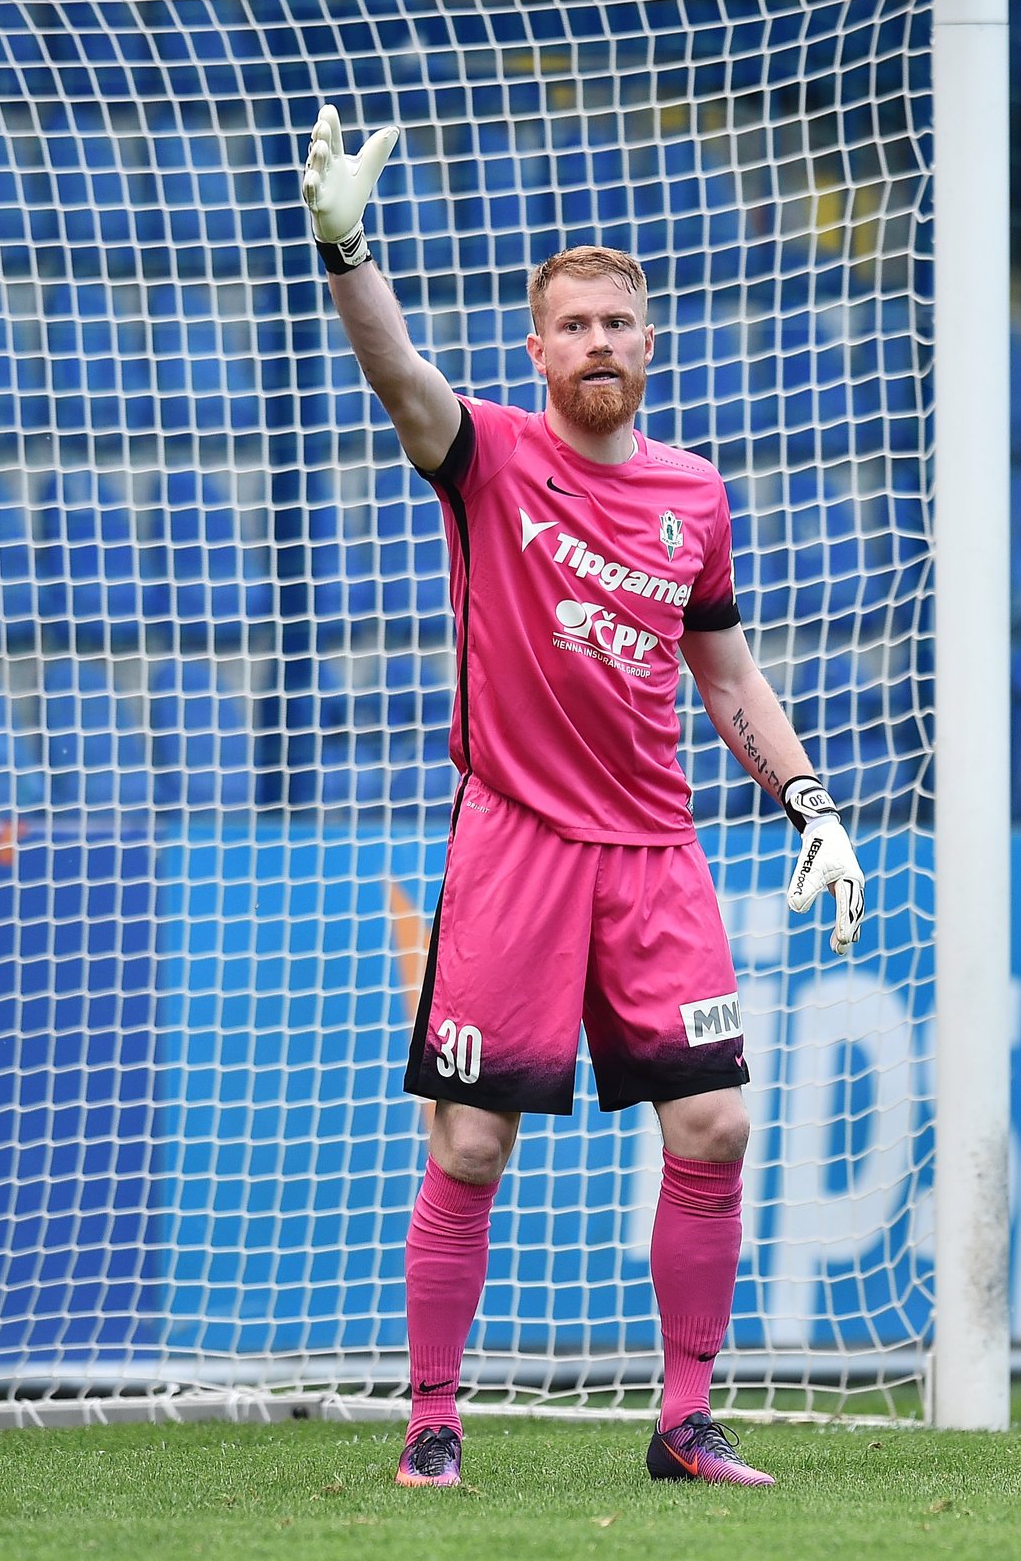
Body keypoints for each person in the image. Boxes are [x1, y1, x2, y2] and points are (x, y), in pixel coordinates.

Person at [302, 105, 865, 1491]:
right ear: (538, 349)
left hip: (654, 853)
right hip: (514, 843)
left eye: (619, 322)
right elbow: (397, 375)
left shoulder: (694, 495)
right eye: (575, 326)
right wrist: (344, 250)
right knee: (476, 1141)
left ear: (647, 341)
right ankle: (431, 1421)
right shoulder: (489, 456)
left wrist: (808, 799)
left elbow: (725, 674)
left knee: (718, 1123)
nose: (599, 342)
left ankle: (682, 1421)